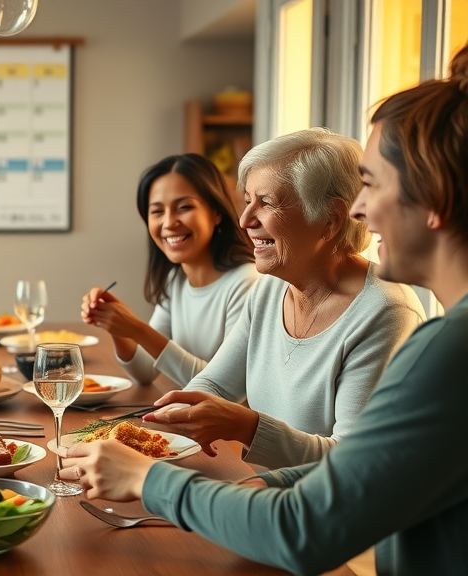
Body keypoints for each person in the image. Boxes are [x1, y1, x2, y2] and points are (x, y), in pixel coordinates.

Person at [60, 44, 468, 576]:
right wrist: (257, 485)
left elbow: (310, 526)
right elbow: (357, 472)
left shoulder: (434, 342)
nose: (363, 211)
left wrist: (148, 480)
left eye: (371, 183)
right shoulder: (273, 293)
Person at [137, 129, 425, 469]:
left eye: (266, 203)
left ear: (330, 220)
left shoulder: (385, 312)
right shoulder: (270, 289)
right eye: (247, 202)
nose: (245, 221)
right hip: (270, 495)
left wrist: (246, 426)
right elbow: (215, 383)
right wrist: (155, 428)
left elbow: (352, 460)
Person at [81, 153, 259, 387]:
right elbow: (145, 372)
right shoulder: (176, 280)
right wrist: (117, 326)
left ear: (216, 212)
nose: (168, 223)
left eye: (183, 207)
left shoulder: (246, 282)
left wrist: (139, 329)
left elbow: (224, 387)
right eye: (157, 211)